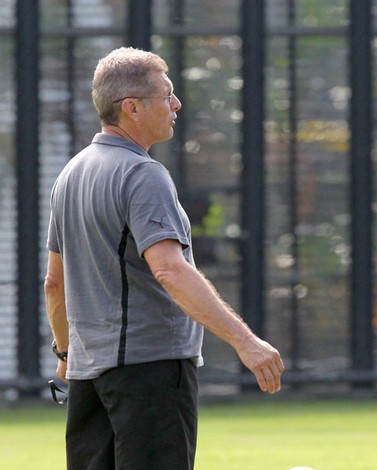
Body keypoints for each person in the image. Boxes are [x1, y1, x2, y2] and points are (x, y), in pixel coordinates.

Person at [44, 47, 285, 470]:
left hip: (87, 377)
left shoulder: (71, 174)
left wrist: (66, 358)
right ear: (131, 107)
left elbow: (54, 283)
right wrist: (246, 343)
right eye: (167, 95)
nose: (176, 104)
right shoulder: (143, 174)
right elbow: (169, 269)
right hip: (149, 374)